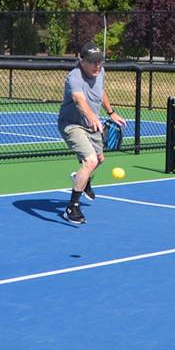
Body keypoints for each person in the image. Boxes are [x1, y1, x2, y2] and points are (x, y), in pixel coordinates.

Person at [57, 43, 126, 224]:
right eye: (93, 62)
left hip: (91, 124)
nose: (97, 66)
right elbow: (79, 100)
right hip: (72, 125)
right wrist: (92, 117)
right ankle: (72, 207)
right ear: (81, 60)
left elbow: (101, 92)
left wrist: (111, 112)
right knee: (91, 160)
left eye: (100, 62)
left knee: (100, 159)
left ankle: (83, 179)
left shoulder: (100, 72)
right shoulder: (75, 77)